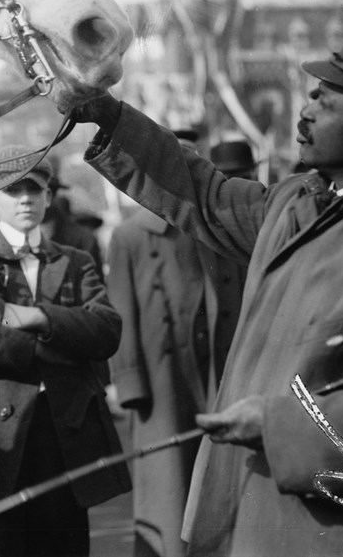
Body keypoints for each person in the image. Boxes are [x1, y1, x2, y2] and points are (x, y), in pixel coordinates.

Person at [76, 23, 343, 556]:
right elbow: (204, 193)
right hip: (242, 515)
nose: (304, 112)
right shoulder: (295, 202)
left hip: (326, 532)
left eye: (326, 103)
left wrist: (279, 424)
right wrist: (107, 113)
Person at [0, 147, 128, 557]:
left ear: (48, 196)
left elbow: (107, 330)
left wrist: (37, 317)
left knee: (63, 544)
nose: (25, 199)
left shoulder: (74, 260)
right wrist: (52, 343)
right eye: (13, 190)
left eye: (35, 189)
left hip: (64, 431)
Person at [105, 129, 245, 557]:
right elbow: (122, 313)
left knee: (227, 479)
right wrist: (131, 386)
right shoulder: (130, 237)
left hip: (221, 370)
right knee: (169, 486)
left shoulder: (216, 230)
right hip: (164, 381)